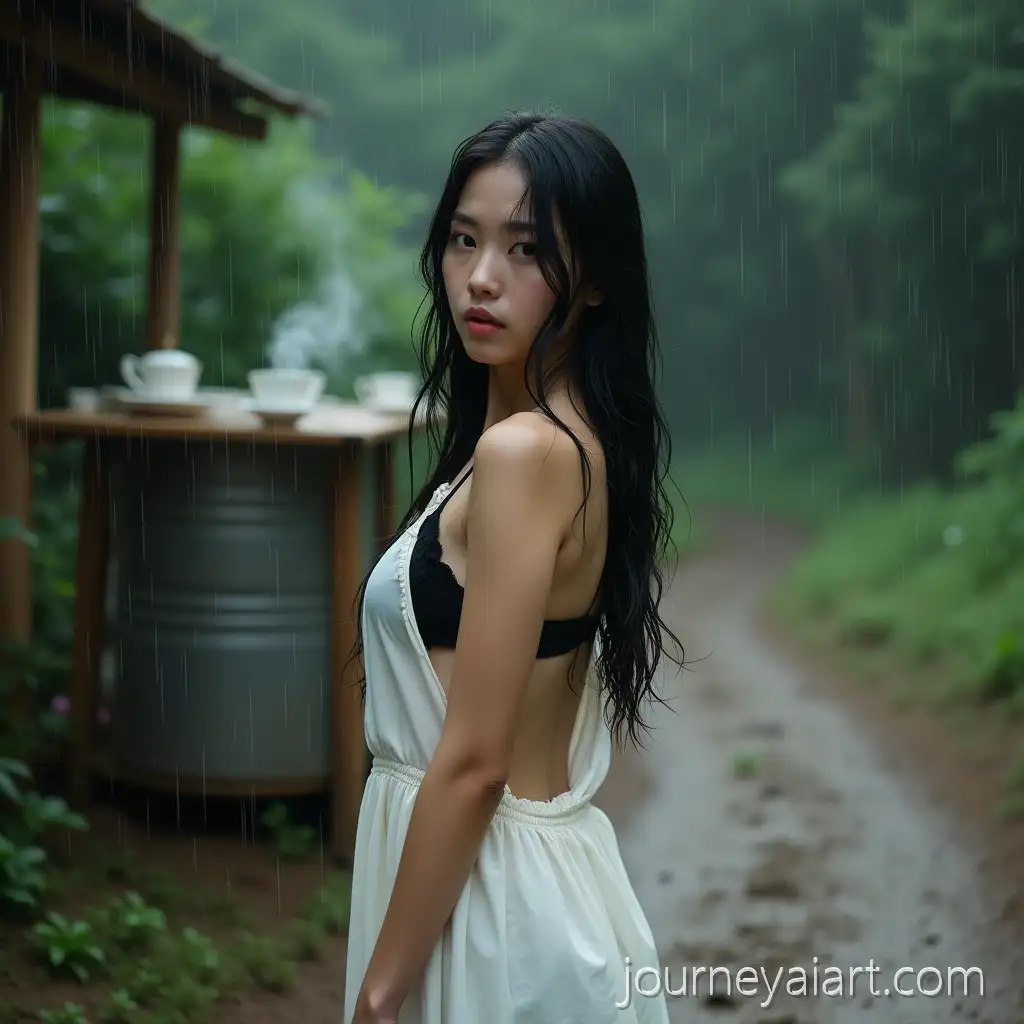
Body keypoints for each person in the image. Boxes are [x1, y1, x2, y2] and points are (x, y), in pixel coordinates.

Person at [343, 110, 685, 1024]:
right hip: (500, 894)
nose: (481, 278)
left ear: (597, 280)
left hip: (493, 917)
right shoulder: (551, 441)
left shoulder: (525, 455)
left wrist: (378, 1000)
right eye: (464, 239)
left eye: (526, 250)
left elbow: (474, 763)